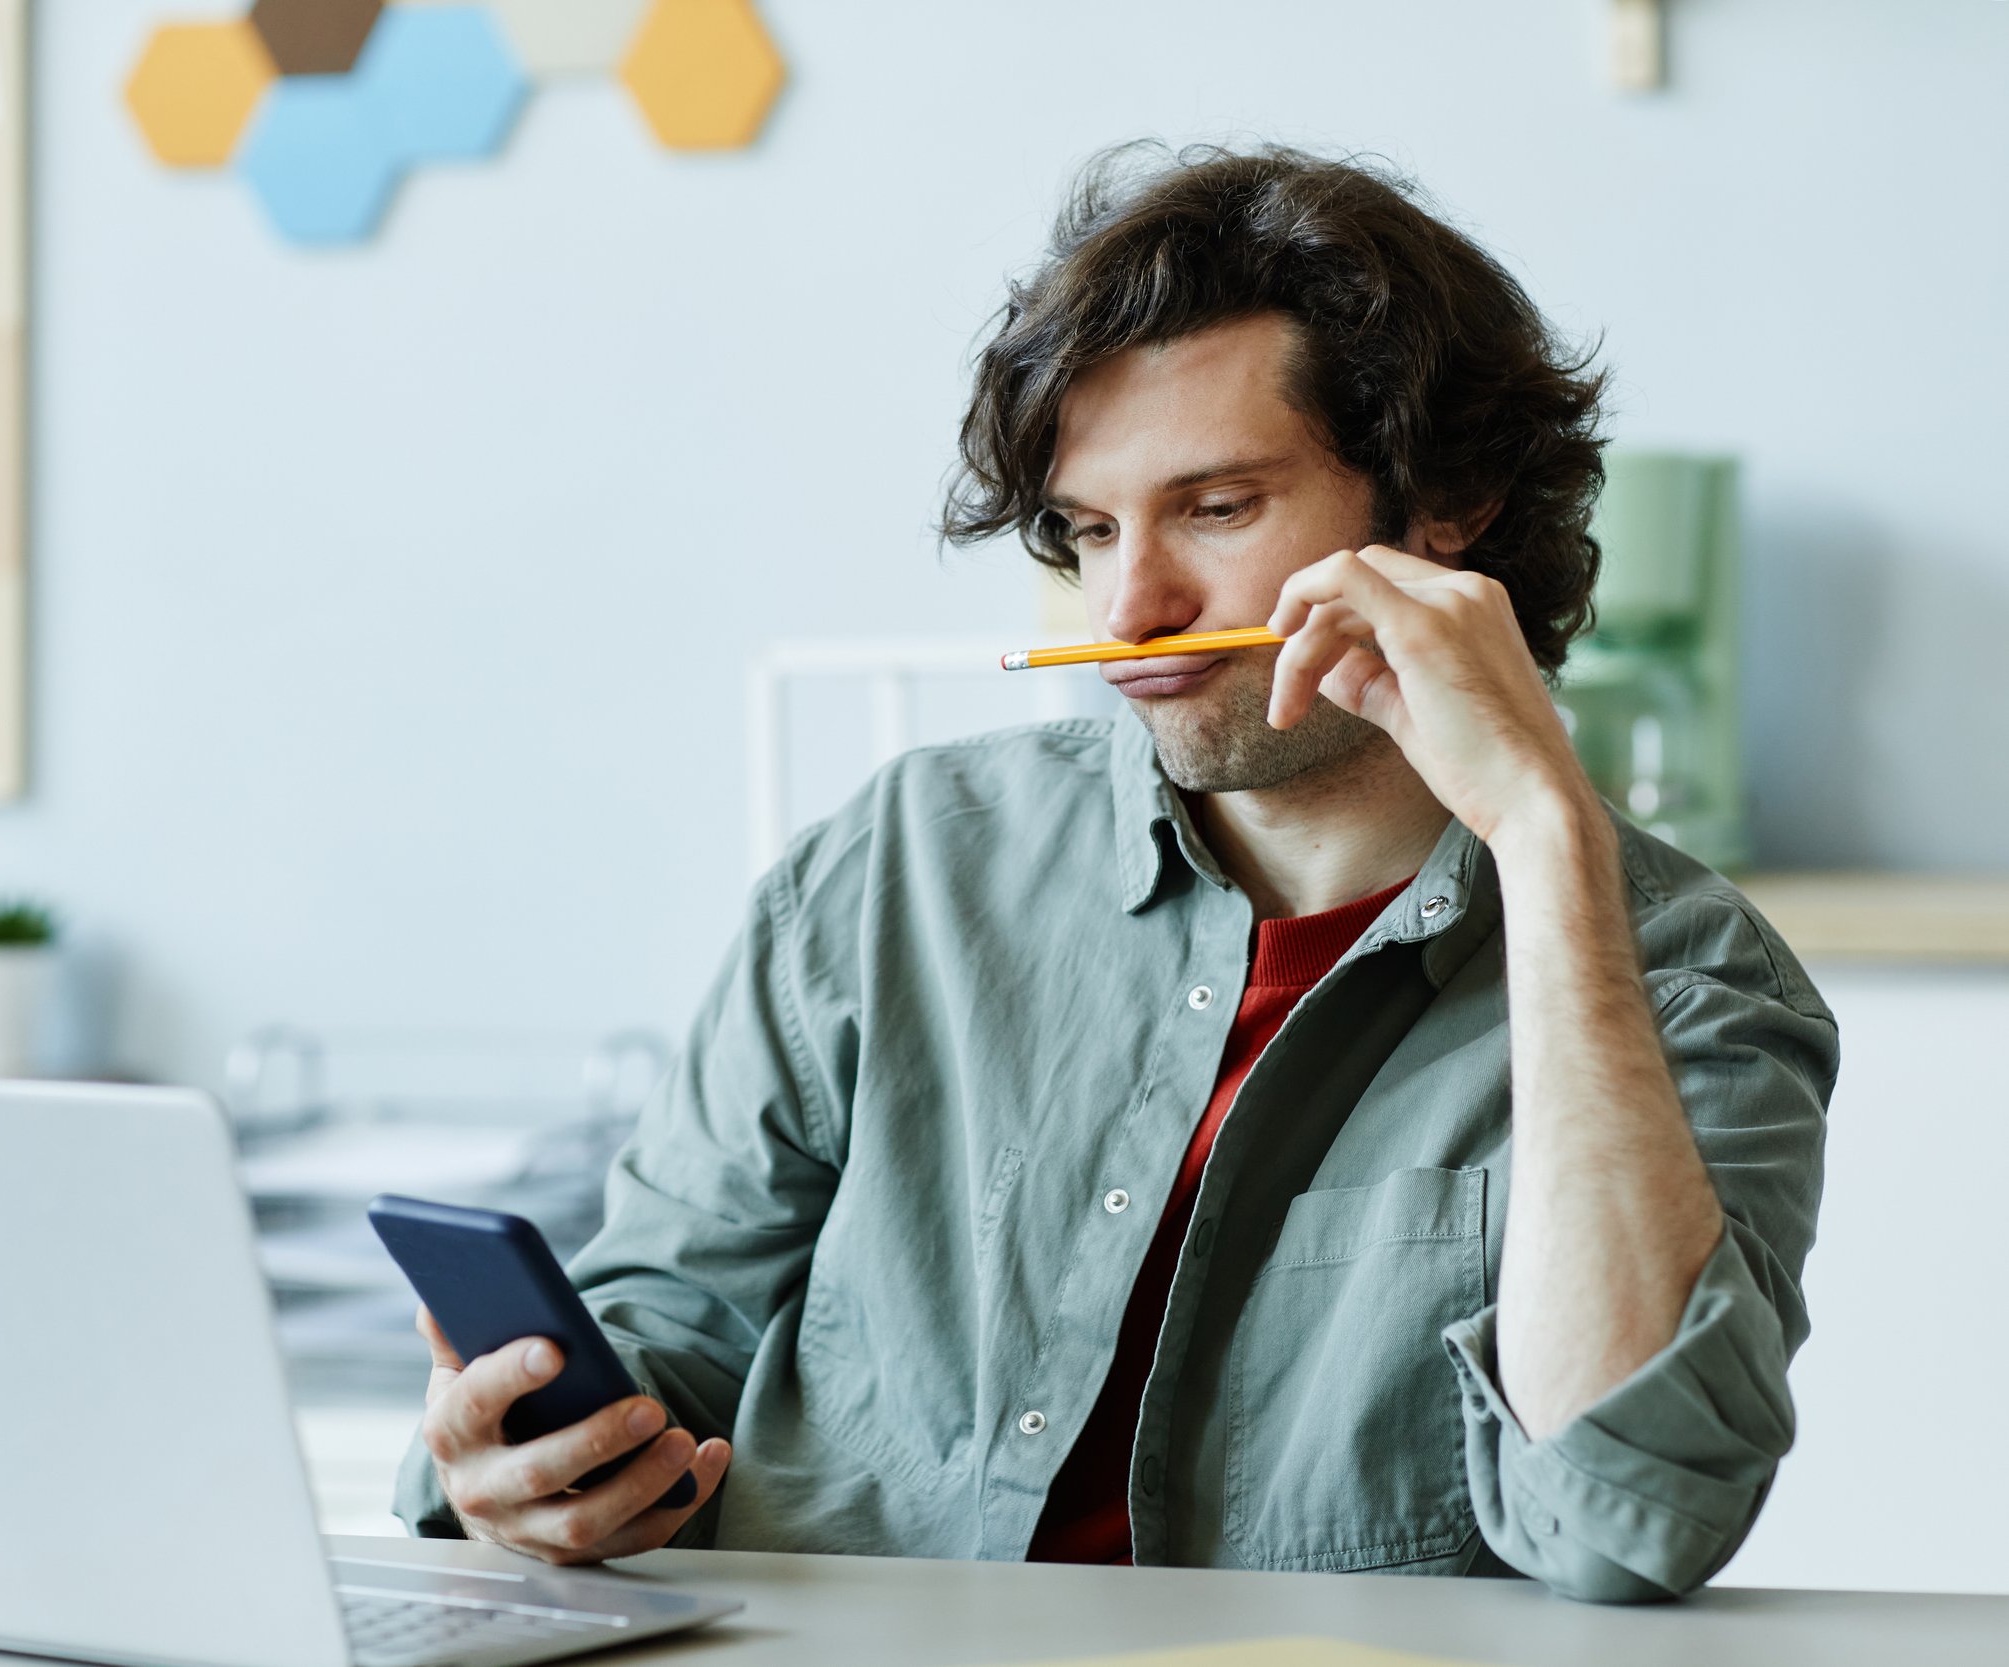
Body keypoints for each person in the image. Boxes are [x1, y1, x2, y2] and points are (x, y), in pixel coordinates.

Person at [393, 144, 1835, 1603]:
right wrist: (528, 1456)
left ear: (1444, 499)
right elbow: (671, 1317)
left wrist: (1545, 840)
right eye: (1089, 530)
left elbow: (1627, 1520)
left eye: (1215, 509)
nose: (1130, 611)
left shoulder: (1687, 975)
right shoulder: (905, 862)